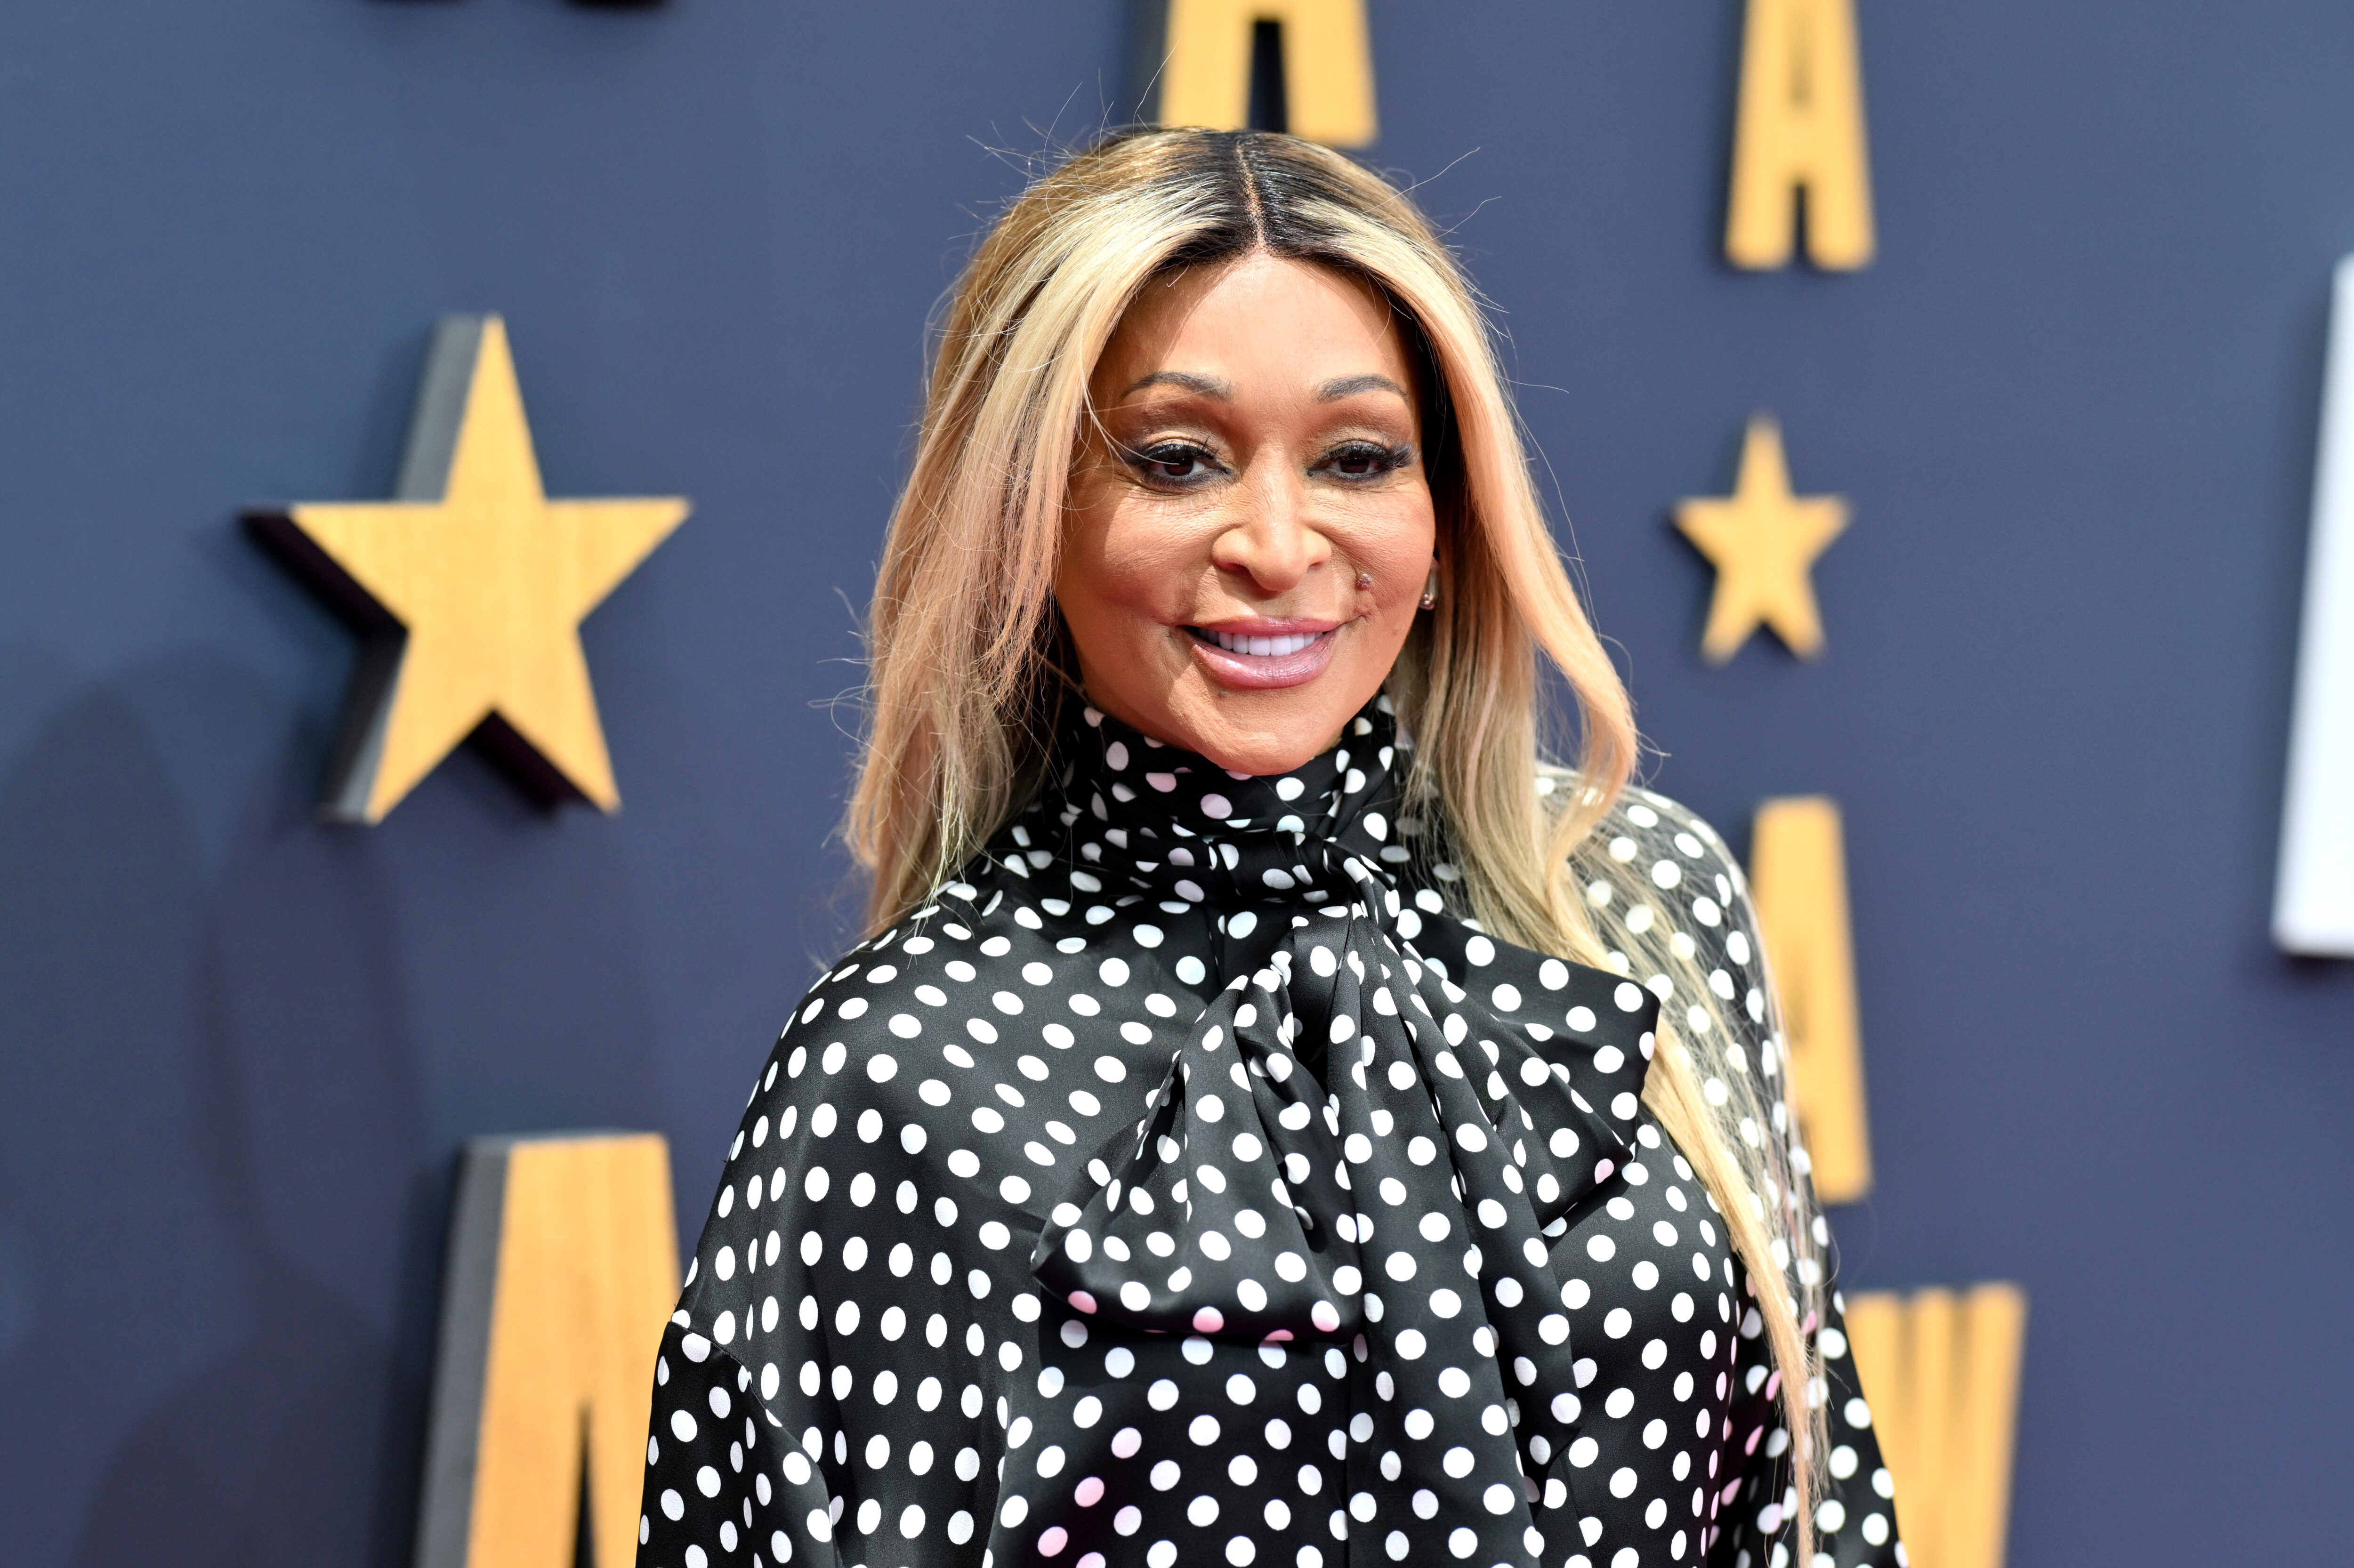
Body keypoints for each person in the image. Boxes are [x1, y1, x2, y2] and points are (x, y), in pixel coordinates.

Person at [636, 128, 1900, 1568]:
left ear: (1448, 517)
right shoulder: (902, 1066)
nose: (1280, 542)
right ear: (1026, 519)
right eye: (1178, 461)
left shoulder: (1638, 895)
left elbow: (1813, 1512)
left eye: (1359, 456)